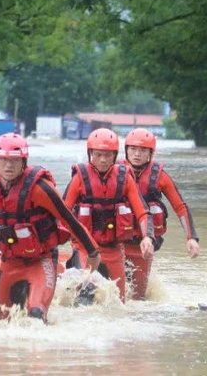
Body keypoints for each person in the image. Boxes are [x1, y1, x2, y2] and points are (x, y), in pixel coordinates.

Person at [0, 133, 101, 323]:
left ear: (24, 161)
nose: (9, 165)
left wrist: (93, 252)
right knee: (4, 320)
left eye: (14, 160)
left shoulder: (40, 188)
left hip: (41, 261)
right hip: (11, 261)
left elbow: (70, 220)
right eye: (3, 160)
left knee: (36, 317)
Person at [63, 128, 154, 303]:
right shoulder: (79, 178)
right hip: (86, 249)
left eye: (108, 155)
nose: (103, 160)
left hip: (114, 250)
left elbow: (142, 212)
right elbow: (63, 213)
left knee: (119, 303)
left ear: (115, 155)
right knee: (83, 299)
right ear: (90, 154)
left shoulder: (125, 178)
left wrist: (148, 237)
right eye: (98, 155)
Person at [122, 128, 200, 301]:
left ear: (151, 153)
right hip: (116, 243)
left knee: (138, 298)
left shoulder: (160, 177)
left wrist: (191, 237)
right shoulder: (115, 171)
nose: (137, 154)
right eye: (133, 149)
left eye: (143, 150)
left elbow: (180, 207)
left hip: (143, 247)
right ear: (126, 150)